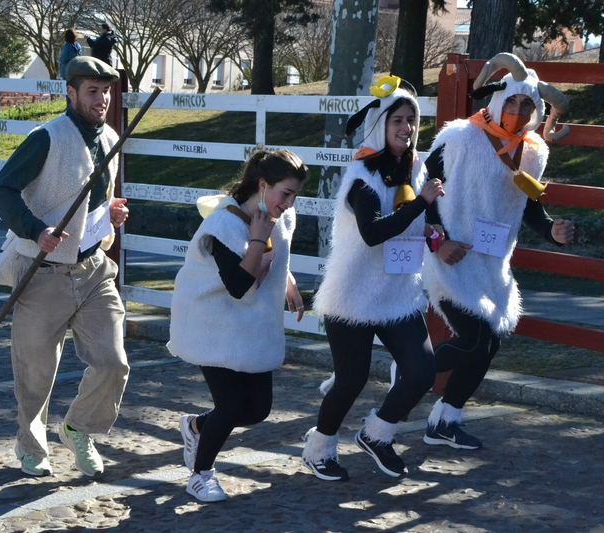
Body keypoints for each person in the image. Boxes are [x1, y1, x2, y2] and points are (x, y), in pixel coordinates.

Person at [421, 53, 574, 450]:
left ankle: (444, 421)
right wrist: (439, 243)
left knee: (489, 344)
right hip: (449, 258)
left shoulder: (533, 151)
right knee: (473, 342)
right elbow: (421, 197)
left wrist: (550, 230)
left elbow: (528, 204)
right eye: (512, 101)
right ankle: (412, 371)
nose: (518, 111)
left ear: (538, 111)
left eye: (528, 105)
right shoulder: (458, 137)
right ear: (496, 98)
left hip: (491, 265)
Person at [0, 56, 130, 478]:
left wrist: (110, 215)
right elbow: (3, 189)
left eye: (106, 91)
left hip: (93, 270)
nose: (101, 99)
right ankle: (31, 446)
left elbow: (95, 201)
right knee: (35, 374)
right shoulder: (45, 138)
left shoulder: (110, 137)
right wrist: (36, 230)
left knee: (113, 362)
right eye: (92, 91)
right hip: (42, 271)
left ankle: (78, 428)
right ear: (70, 93)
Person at [301, 76, 445, 482]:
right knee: (351, 380)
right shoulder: (361, 176)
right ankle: (318, 449)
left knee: (421, 370)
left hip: (398, 292)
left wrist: (437, 235)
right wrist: (422, 204)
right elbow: (373, 232)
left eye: (412, 121)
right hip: (353, 293)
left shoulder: (416, 169)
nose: (406, 129)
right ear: (380, 125)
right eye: (397, 120)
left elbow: (422, 221)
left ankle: (378, 434)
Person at [168, 150, 308, 502]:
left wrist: (287, 281)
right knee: (230, 406)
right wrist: (258, 239)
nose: (289, 204)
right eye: (285, 194)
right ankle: (201, 475)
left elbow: (277, 255)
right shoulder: (223, 225)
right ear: (263, 186)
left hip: (249, 325)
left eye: (295, 196)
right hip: (210, 322)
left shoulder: (279, 216)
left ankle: (196, 426)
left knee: (257, 409)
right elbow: (237, 286)